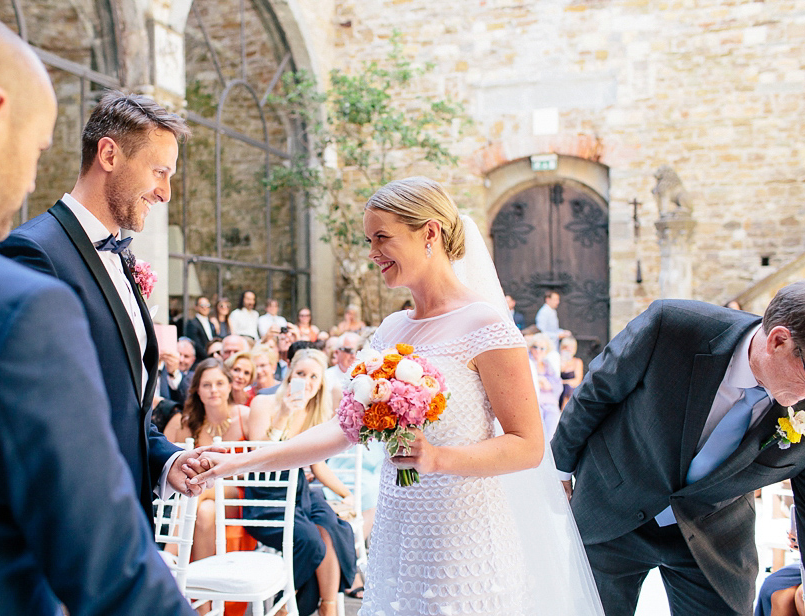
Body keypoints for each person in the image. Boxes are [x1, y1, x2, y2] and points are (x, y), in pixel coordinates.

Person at [0, 6, 204, 615]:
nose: (28, 178)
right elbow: (111, 573)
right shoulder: (14, 302)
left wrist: (162, 456)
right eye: (38, 144)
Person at [187, 176, 604, 615]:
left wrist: (438, 459)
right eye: (369, 240)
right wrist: (239, 460)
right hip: (398, 533)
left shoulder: (485, 326)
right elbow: (342, 427)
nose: (372, 253)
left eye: (382, 237)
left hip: (463, 538)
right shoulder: (390, 330)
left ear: (429, 232)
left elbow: (528, 445)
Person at [551, 279, 805, 616]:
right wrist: (559, 472)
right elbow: (597, 393)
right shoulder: (673, 326)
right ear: (779, 340)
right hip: (614, 505)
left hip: (714, 532)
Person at [0, 89, 194, 523]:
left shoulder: (119, 255)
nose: (166, 192)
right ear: (108, 154)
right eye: (160, 171)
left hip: (126, 514)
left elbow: (120, 402)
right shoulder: (33, 254)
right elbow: (31, 420)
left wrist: (165, 459)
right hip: (74, 525)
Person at [246, 349, 357, 616]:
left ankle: (327, 608)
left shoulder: (315, 412)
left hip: (301, 491)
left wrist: (346, 494)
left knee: (331, 527)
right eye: (300, 374)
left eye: (313, 377)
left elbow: (317, 465)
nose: (306, 382)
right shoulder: (264, 404)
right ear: (289, 374)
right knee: (311, 540)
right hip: (266, 492)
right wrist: (283, 414)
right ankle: (286, 603)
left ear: (320, 383)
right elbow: (258, 459)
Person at [162, 359, 249, 566]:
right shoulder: (187, 423)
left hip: (238, 492)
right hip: (201, 495)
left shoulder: (245, 416)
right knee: (206, 510)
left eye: (219, 383)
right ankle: (204, 595)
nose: (213, 390)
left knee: (200, 489)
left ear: (229, 386)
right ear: (197, 391)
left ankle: (169, 554)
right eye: (206, 385)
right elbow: (166, 460)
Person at [528, 332, 563, 439]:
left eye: (542, 348)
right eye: (535, 347)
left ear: (546, 350)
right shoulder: (528, 362)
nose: (538, 350)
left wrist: (547, 383)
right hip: (534, 403)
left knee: (551, 434)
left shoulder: (548, 364)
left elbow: (557, 385)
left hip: (550, 403)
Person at [185, 295, 216, 359]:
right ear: (196, 307)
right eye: (202, 305)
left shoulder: (211, 324)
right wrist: (208, 357)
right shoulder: (192, 323)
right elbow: (196, 345)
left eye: (207, 305)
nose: (205, 308)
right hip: (200, 359)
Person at [559, 335, 584, 408]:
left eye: (571, 348)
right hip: (559, 390)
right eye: (566, 347)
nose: (568, 350)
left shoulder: (577, 362)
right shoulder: (558, 361)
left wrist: (564, 382)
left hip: (570, 390)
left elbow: (577, 381)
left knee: (567, 388)